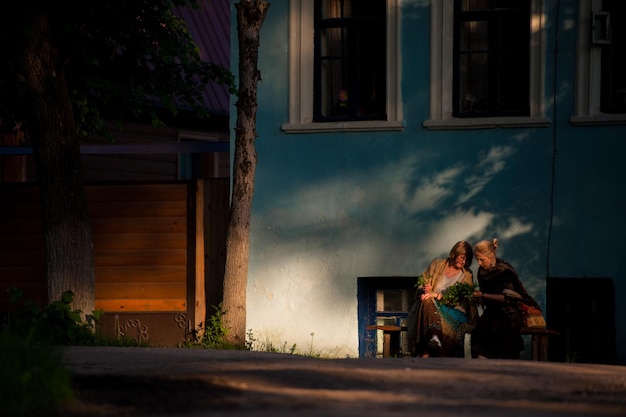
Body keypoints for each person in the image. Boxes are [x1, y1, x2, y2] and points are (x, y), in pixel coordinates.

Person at [471, 239, 542, 359]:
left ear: (491, 255)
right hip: (493, 310)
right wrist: (477, 298)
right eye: (477, 259)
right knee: (481, 328)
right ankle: (482, 362)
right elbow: (486, 296)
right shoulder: (482, 271)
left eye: (481, 259)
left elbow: (508, 298)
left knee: (501, 325)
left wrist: (483, 295)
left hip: (510, 311)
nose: (478, 263)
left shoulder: (505, 271)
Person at [407, 241, 478, 358]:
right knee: (427, 301)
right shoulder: (436, 264)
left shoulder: (467, 274)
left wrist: (436, 295)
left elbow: (459, 300)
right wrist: (425, 290)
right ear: (455, 253)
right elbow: (421, 285)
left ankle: (426, 350)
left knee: (428, 301)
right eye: (462, 257)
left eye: (466, 259)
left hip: (454, 310)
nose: (463, 262)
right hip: (431, 308)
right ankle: (434, 341)